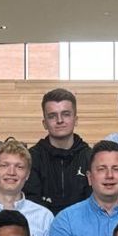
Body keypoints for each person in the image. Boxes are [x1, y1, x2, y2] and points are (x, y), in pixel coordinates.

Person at [24, 87, 91, 215]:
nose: (60, 120)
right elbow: (32, 204)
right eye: (52, 116)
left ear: (75, 120)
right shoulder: (32, 158)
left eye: (66, 114)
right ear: (44, 123)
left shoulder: (91, 157)